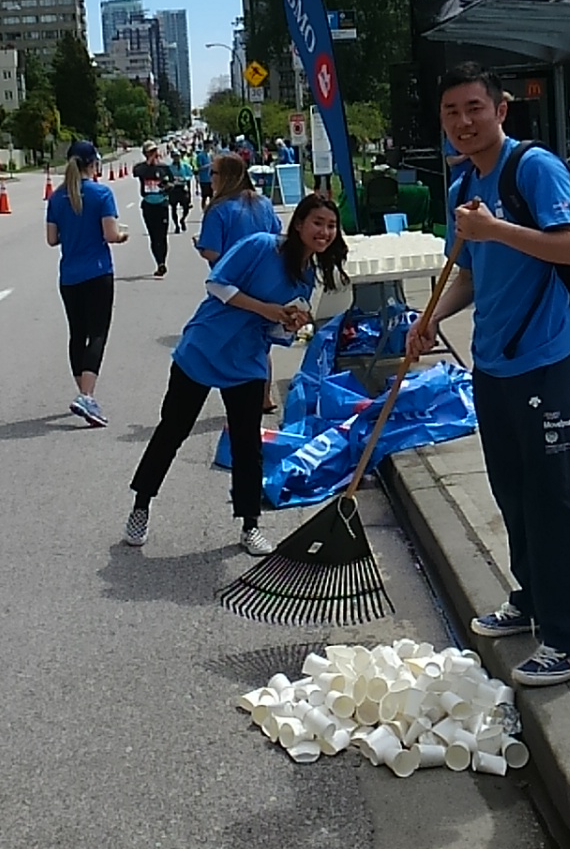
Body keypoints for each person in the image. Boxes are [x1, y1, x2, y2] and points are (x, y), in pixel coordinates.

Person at [407, 61, 570, 688]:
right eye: (451, 112)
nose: (463, 121)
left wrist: (496, 228)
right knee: (513, 492)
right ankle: (532, 598)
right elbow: (468, 271)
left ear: (500, 110)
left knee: (555, 497)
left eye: (474, 108)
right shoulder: (463, 184)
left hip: (543, 359)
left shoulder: (533, 168)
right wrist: (430, 318)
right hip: (491, 362)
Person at [124, 195, 348, 553]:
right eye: (317, 223)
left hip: (247, 360)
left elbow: (275, 330)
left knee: (247, 445)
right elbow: (217, 284)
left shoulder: (307, 276)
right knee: (172, 430)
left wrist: (288, 324)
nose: (324, 231)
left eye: (331, 225)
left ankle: (250, 525)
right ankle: (141, 506)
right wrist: (266, 309)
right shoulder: (261, 245)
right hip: (205, 347)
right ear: (299, 224)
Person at [46, 140, 128, 427]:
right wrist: (123, 235)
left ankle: (84, 394)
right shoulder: (101, 193)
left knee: (77, 334)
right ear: (93, 164)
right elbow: (110, 234)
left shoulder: (57, 197)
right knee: (98, 333)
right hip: (97, 272)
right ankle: (87, 395)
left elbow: (52, 239)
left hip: (69, 276)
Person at [198, 152, 284, 414]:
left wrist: (199, 246)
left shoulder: (218, 209)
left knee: (232, 346)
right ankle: (265, 397)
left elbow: (211, 251)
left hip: (232, 287)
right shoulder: (263, 203)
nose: (210, 178)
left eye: (213, 173)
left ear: (225, 176)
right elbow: (276, 236)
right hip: (264, 281)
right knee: (261, 343)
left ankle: (242, 405)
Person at [132, 139, 173, 277]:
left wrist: (168, 186)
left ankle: (162, 262)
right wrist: (149, 162)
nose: (153, 154)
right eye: (149, 152)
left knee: (162, 236)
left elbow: (172, 182)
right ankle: (159, 262)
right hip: (148, 205)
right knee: (154, 236)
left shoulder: (164, 167)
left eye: (154, 151)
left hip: (162, 204)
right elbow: (137, 173)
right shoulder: (141, 168)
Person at [168, 152, 193, 233]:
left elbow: (190, 174)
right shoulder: (169, 167)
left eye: (177, 156)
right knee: (173, 208)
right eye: (174, 156)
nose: (176, 158)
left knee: (186, 207)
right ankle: (176, 225)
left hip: (183, 187)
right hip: (174, 189)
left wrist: (184, 178)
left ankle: (182, 219)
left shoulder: (185, 165)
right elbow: (167, 177)